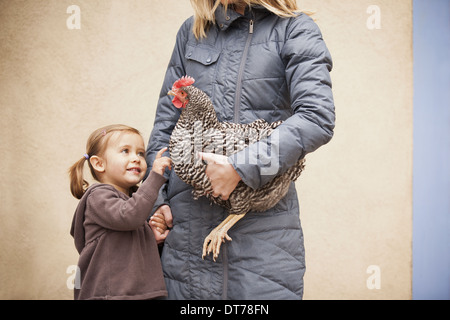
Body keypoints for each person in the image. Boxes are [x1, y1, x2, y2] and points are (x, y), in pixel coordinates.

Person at [146, 0, 335, 299]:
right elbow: (165, 129)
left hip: (261, 238)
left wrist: (242, 168)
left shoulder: (294, 29)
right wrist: (156, 201)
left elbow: (316, 118)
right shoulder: (192, 32)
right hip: (186, 241)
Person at [69, 124, 172, 300]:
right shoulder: (98, 195)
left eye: (141, 153)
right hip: (109, 294)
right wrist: (155, 177)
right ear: (99, 164)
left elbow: (121, 240)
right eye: (125, 151)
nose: (136, 158)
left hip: (137, 293)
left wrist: (149, 239)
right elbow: (128, 216)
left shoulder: (135, 200)